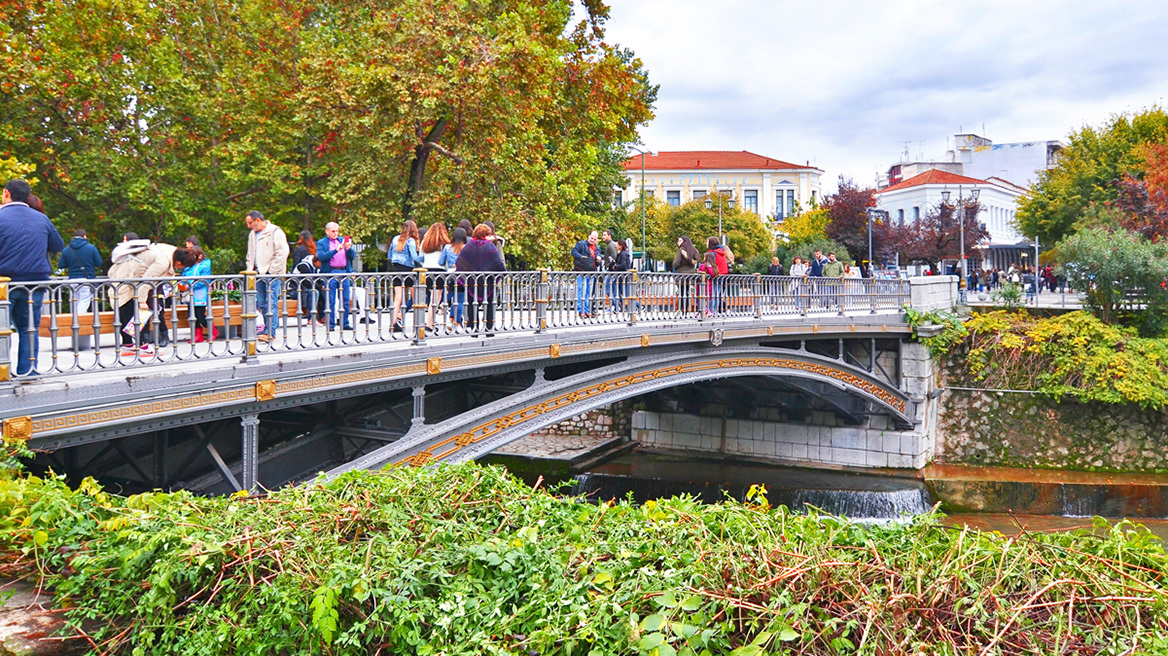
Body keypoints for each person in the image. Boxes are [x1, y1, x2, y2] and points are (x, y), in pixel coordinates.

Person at [0, 179, 64, 375]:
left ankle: (3, 373)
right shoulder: (41, 219)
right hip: (35, 282)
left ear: (7, 193)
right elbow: (58, 245)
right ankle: (28, 371)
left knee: (2, 330)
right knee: (29, 328)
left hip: (5, 284)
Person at [107, 235, 177, 355]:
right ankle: (143, 345)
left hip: (122, 287)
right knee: (137, 317)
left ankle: (129, 345)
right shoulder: (152, 254)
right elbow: (148, 279)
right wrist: (142, 300)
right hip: (130, 288)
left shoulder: (129, 254)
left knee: (126, 316)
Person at [244, 211, 289, 342]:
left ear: (257, 220)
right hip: (257, 273)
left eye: (250, 223)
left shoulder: (275, 231)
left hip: (271, 274)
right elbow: (250, 254)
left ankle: (270, 332)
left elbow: (282, 252)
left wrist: (272, 270)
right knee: (262, 303)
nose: (248, 226)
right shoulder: (252, 234)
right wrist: (250, 268)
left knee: (271, 302)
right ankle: (267, 329)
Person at [455, 224, 506, 336]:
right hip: (487, 281)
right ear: (487, 234)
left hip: (471, 281)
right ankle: (489, 329)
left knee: (471, 303)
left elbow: (459, 262)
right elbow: (499, 264)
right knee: (489, 304)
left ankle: (474, 329)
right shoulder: (490, 246)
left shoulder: (469, 246)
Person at [173, 247, 218, 342]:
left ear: (200, 256)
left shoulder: (205, 266)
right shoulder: (188, 266)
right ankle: (198, 335)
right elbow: (184, 277)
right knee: (192, 316)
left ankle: (213, 331)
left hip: (200, 294)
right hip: (190, 294)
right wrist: (182, 284)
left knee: (200, 315)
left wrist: (189, 286)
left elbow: (204, 280)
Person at [316, 222, 355, 331]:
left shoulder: (342, 240)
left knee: (345, 299)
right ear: (327, 231)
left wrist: (349, 249)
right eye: (333, 231)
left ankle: (345, 322)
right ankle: (331, 324)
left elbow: (352, 256)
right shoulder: (322, 243)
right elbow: (322, 257)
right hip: (331, 272)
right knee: (331, 300)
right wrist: (335, 250)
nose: (335, 233)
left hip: (343, 271)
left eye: (337, 231)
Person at [387, 220, 423, 332]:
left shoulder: (395, 239)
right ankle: (418, 323)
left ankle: (393, 323)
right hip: (408, 270)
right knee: (415, 297)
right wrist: (424, 258)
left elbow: (389, 255)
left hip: (396, 269)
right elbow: (414, 257)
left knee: (398, 298)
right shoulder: (410, 240)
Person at [58, 228, 102, 313]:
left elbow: (61, 265)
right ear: (84, 236)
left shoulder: (67, 250)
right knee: (84, 301)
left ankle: (74, 318)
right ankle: (78, 319)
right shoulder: (91, 248)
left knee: (74, 301)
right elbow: (99, 263)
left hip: (72, 279)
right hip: (86, 279)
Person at [421, 222, 451, 330]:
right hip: (438, 270)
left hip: (426, 270)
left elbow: (420, 257)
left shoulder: (425, 242)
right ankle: (429, 324)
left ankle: (431, 322)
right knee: (436, 299)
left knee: (432, 297)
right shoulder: (443, 243)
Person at [571, 231, 600, 318]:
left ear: (597, 240)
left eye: (594, 239)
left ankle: (587, 310)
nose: (592, 240)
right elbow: (573, 252)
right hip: (581, 271)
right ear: (588, 236)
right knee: (581, 290)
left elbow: (598, 260)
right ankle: (581, 310)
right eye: (591, 238)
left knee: (588, 292)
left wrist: (599, 261)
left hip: (591, 272)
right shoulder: (581, 244)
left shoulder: (597, 248)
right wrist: (581, 257)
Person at [290, 231, 318, 322]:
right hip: (312, 279)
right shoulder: (314, 249)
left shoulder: (299, 249)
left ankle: (306, 312)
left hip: (301, 282)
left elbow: (296, 264)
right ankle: (320, 316)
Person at [444, 227, 468, 328]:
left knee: (454, 298)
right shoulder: (466, 248)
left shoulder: (447, 248)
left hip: (450, 275)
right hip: (462, 275)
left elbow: (441, 261)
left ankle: (451, 319)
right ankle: (457, 322)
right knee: (460, 300)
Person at [673, 236, 700, 315]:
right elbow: (697, 261)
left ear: (684, 241)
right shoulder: (694, 250)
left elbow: (677, 263)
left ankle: (681, 308)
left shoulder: (681, 250)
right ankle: (686, 308)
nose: (678, 242)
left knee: (681, 292)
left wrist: (674, 264)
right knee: (687, 292)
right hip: (690, 275)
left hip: (681, 275)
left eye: (679, 241)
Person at [705, 237, 729, 313]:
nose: (706, 243)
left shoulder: (711, 253)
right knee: (717, 295)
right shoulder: (721, 252)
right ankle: (714, 311)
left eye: (707, 242)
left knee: (711, 295)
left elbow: (710, 265)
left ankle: (710, 311)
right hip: (722, 275)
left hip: (713, 275)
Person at [697, 251, 720, 316]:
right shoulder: (714, 266)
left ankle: (704, 311)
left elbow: (700, 272)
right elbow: (713, 274)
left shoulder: (704, 265)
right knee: (706, 298)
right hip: (709, 284)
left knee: (701, 298)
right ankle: (707, 311)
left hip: (703, 284)